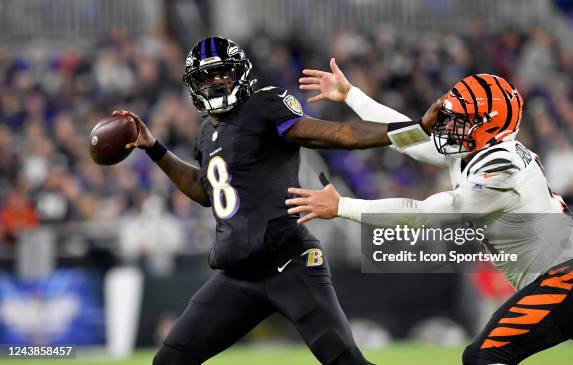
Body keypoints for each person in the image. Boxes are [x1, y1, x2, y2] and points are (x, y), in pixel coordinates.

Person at [288, 59, 573, 364]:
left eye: (461, 119)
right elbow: (406, 139)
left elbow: (421, 214)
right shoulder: (475, 150)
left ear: (489, 126)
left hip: (567, 281)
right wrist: (351, 95)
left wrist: (342, 206)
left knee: (483, 357)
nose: (448, 124)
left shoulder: (502, 169)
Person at [114, 36, 404, 365]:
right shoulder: (206, 133)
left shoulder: (264, 105)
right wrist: (155, 147)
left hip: (288, 263)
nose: (214, 84)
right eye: (205, 78)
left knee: (345, 361)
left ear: (241, 73)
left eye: (222, 74)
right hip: (238, 276)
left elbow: (339, 134)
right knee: (169, 361)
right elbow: (204, 190)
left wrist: (408, 132)